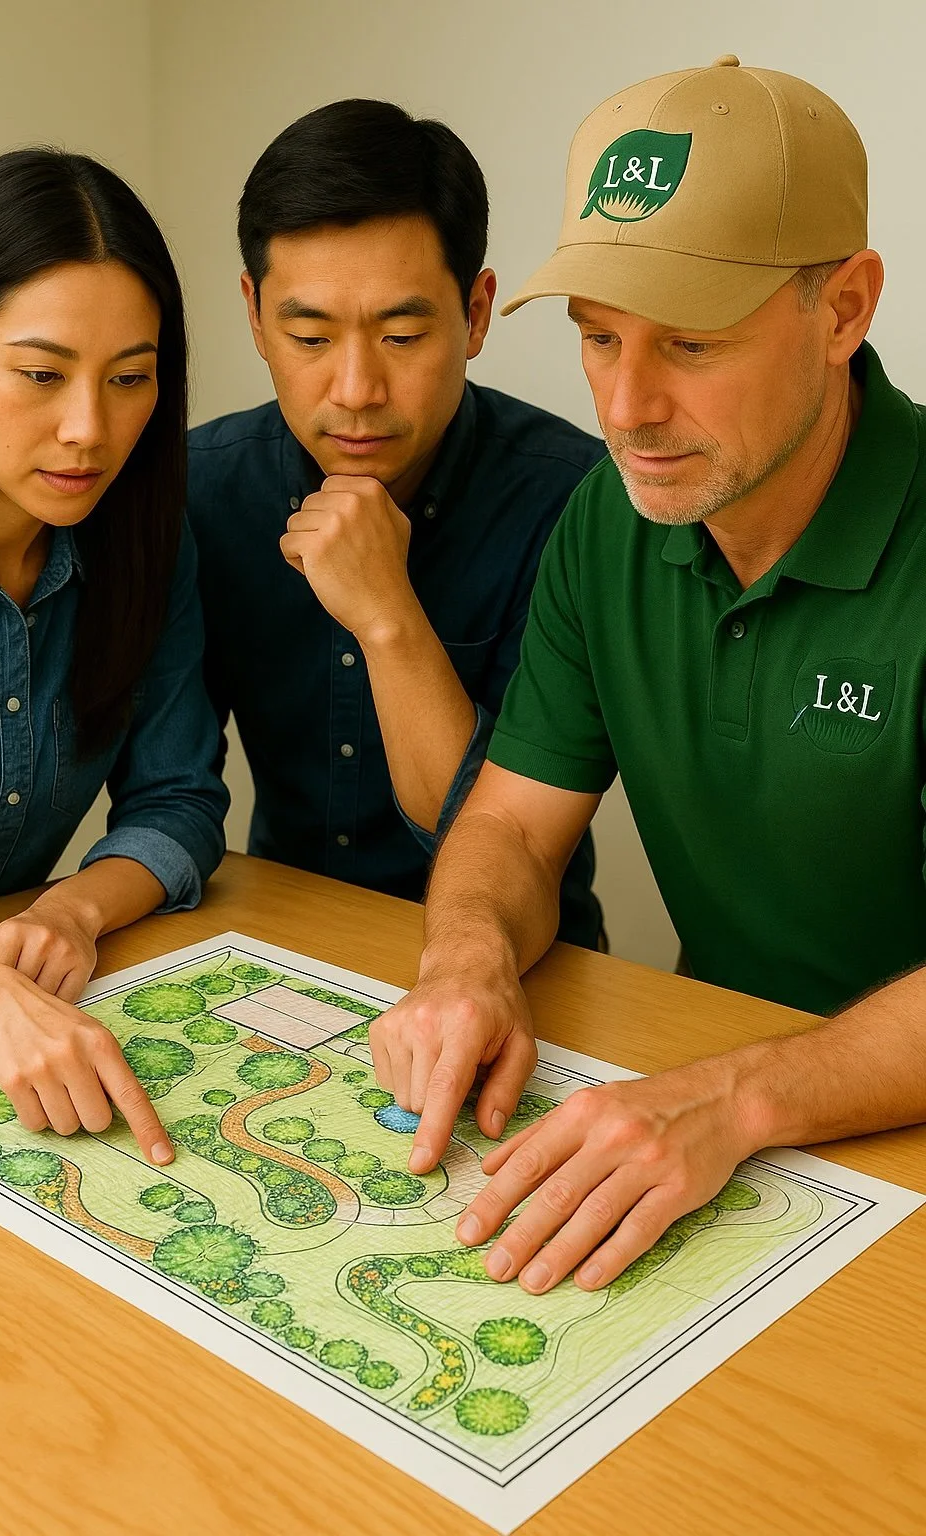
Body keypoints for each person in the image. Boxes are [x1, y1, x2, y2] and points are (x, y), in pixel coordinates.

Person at [370, 57, 926, 1295]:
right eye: (597, 337)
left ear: (842, 309)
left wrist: (730, 1098)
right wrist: (464, 961)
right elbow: (511, 822)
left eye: (689, 342)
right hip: (728, 1131)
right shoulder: (605, 525)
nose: (626, 406)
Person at [187, 100, 606, 947]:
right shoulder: (201, 490)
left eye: (403, 334)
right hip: (282, 943)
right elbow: (169, 783)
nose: (355, 390)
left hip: (527, 959)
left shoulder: (575, 502)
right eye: (308, 336)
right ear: (255, 314)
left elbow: (498, 837)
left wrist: (387, 616)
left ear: (477, 313)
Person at [0, 149, 229, 1163]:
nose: (89, 430)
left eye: (131, 379)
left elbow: (178, 799)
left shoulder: (144, 544)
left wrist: (77, 911)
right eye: (41, 374)